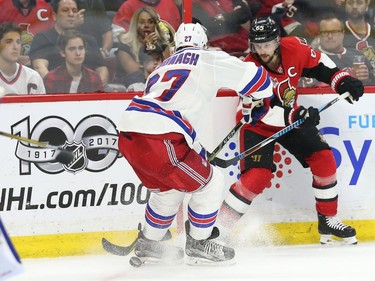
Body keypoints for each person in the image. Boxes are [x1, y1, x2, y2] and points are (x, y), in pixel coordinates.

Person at [116, 22, 274, 265]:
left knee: (169, 189)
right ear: (204, 42)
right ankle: (200, 244)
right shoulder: (206, 58)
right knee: (211, 183)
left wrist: (203, 153)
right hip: (161, 133)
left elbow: (180, 116)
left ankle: (149, 242)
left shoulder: (161, 68)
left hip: (130, 133)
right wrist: (260, 100)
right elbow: (257, 77)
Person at [217, 16, 364, 245]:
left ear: (277, 41)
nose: (262, 50)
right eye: (257, 45)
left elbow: (321, 65)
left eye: (266, 44)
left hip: (289, 119)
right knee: (257, 177)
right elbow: (260, 112)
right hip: (257, 124)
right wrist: (296, 116)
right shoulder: (249, 69)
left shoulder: (294, 47)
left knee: (324, 158)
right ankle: (217, 229)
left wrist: (342, 80)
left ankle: (328, 220)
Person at [29, 0, 109, 87]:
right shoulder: (43, 38)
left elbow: (102, 70)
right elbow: (40, 67)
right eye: (65, 10)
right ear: (54, 16)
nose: (71, 14)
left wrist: (94, 89)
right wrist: (58, 89)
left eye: (74, 11)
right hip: (55, 92)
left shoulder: (89, 40)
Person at [114, 6, 171, 90]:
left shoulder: (163, 45)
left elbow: (168, 70)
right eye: (141, 22)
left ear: (156, 25)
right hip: (130, 91)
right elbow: (137, 75)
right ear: (135, 24)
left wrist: (157, 47)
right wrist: (145, 48)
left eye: (151, 22)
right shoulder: (124, 46)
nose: (146, 26)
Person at [317, 13, 374, 85]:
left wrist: (367, 80)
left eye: (334, 32)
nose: (330, 36)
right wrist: (351, 76)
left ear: (342, 33)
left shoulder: (358, 55)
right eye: (325, 32)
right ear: (319, 35)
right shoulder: (312, 58)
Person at [0, 0, 54, 67]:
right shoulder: (2, 5)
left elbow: (52, 39)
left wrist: (40, 59)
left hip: (39, 64)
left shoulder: (46, 7)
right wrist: (15, 57)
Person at [0, 22, 45, 95]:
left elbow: (42, 106)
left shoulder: (33, 77)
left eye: (18, 42)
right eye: (9, 42)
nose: (15, 47)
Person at [112, 0, 181, 38]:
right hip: (141, 56)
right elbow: (120, 36)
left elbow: (178, 31)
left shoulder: (169, 3)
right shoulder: (128, 7)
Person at [343, 0, 375, 72]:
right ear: (345, 6)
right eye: (350, 3)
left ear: (367, 6)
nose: (354, 6)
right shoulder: (337, 31)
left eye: (359, 2)